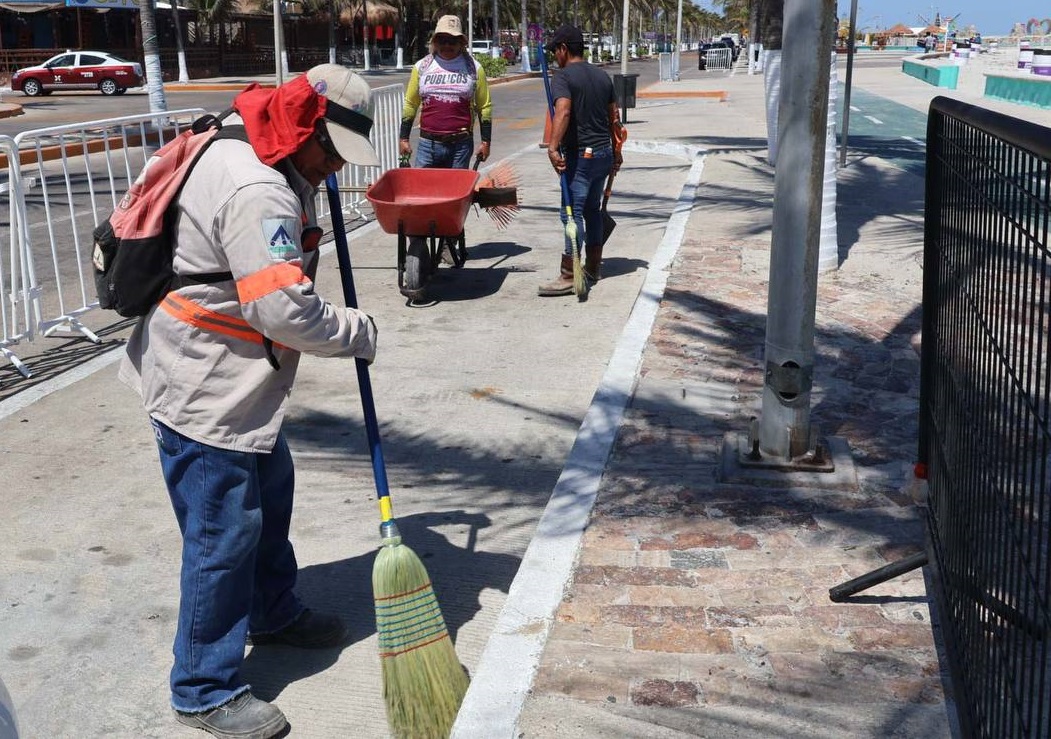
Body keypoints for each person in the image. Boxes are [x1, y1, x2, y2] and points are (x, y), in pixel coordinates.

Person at [119, 64, 380, 739]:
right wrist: (355, 332)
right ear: (304, 127)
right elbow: (281, 310)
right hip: (205, 386)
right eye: (329, 154)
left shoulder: (259, 148)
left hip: (239, 383)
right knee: (222, 534)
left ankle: (270, 608)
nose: (330, 171)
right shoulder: (259, 186)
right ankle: (202, 685)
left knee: (272, 494)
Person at [399, 15, 493, 268]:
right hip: (428, 144)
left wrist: (486, 141)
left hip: (460, 146)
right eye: (442, 40)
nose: (447, 45)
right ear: (435, 41)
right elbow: (411, 103)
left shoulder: (474, 69)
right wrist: (404, 136)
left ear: (461, 42)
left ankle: (449, 244)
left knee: (454, 201)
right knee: (420, 200)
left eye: (452, 40)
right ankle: (417, 247)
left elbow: (484, 106)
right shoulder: (422, 67)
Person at [538, 25, 624, 297]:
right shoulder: (601, 75)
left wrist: (553, 148)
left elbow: (562, 112)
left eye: (555, 51)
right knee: (592, 210)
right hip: (603, 153)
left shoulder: (563, 77)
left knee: (571, 213)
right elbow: (614, 116)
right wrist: (617, 150)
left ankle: (568, 274)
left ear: (564, 48)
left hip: (582, 156)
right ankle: (594, 266)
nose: (554, 56)